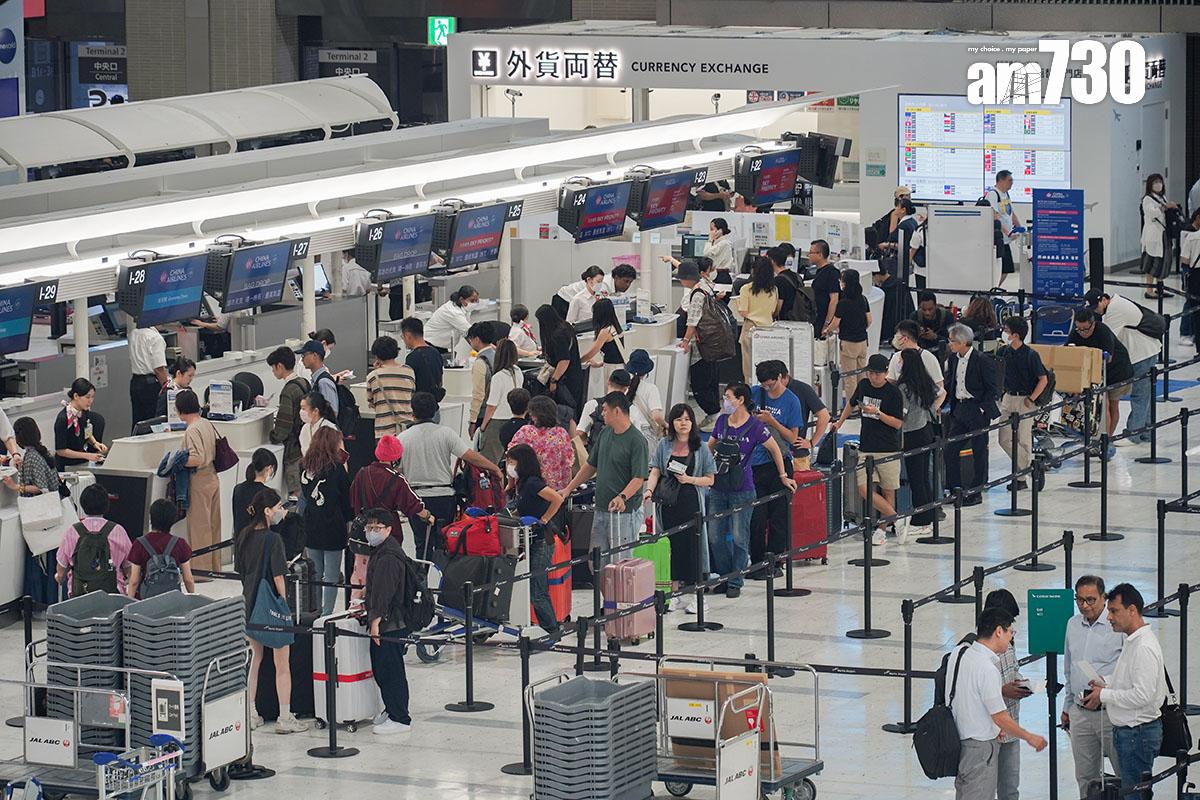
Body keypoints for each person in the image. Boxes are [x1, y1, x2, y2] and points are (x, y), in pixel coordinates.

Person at [707, 384, 796, 597]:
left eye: (728, 397)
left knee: (739, 536)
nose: (725, 401)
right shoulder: (721, 422)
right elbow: (709, 445)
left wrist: (783, 476)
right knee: (715, 536)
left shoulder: (755, 426)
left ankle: (735, 581)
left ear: (740, 400)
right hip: (719, 487)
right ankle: (725, 575)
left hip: (743, 488)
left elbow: (775, 449)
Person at [948, 607, 1047, 800]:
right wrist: (1029, 736)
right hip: (980, 749)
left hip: (960, 741)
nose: (1011, 638)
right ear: (999, 631)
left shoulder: (959, 654)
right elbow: (1000, 716)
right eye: (1011, 632)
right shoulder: (987, 668)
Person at [1082, 583, 1167, 795]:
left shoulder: (1143, 647)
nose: (1109, 617)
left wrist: (1104, 695)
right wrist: (1106, 681)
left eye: (1114, 611)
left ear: (1132, 610)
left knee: (1135, 794)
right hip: (1131, 734)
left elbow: (1142, 695)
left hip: (1137, 735)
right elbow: (1130, 681)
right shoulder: (1132, 641)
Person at [235, 488, 307, 734]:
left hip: (249, 604)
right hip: (271, 608)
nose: (281, 512)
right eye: (277, 507)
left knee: (254, 660)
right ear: (267, 511)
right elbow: (279, 577)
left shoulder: (243, 535)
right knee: (282, 664)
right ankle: (285, 717)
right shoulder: (273, 539)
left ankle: (251, 712)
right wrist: (285, 605)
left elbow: (241, 571)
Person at [398, 392, 502, 560]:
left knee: (421, 543)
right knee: (445, 540)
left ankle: (421, 580)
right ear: (435, 412)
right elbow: (470, 456)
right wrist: (495, 468)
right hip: (444, 497)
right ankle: (444, 578)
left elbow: (398, 470)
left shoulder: (402, 438)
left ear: (413, 412)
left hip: (416, 498)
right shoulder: (446, 433)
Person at [562, 392, 649, 571]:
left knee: (621, 565)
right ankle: (606, 600)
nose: (602, 414)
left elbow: (639, 477)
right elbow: (590, 465)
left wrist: (622, 497)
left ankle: (620, 600)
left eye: (605, 410)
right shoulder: (605, 433)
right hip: (601, 507)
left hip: (623, 513)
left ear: (616, 411)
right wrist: (569, 488)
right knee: (596, 564)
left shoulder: (637, 441)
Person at [644, 404, 715, 614]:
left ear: (692, 422)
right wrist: (649, 490)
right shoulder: (664, 445)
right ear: (672, 422)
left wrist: (689, 479)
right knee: (670, 547)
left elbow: (710, 479)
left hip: (691, 502)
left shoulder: (701, 447)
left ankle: (697, 595)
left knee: (693, 547)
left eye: (686, 419)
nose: (683, 423)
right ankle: (673, 594)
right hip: (668, 504)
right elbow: (655, 470)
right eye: (678, 419)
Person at [829, 355, 908, 545]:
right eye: (870, 373)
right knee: (864, 489)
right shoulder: (864, 385)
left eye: (877, 374)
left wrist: (878, 413)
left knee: (888, 489)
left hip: (888, 449)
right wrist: (839, 422)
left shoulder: (894, 393)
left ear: (886, 373)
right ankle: (897, 519)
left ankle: (882, 529)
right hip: (866, 446)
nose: (873, 377)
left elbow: (897, 423)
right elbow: (851, 403)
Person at [1062, 575, 1125, 799]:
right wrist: (1067, 707)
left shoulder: (1116, 626)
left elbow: (1127, 670)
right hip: (1080, 713)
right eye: (1080, 600)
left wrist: (1105, 688)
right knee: (1086, 779)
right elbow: (1069, 670)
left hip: (1111, 714)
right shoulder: (1072, 624)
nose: (1084, 606)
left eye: (1090, 600)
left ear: (1103, 598)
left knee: (1124, 776)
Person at [359, 506, 413, 735]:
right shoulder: (381, 550)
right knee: (382, 667)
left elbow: (384, 592)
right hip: (388, 620)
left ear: (389, 529)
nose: (372, 532)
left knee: (391, 669)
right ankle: (391, 710)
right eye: (369, 527)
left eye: (377, 528)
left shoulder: (389, 555)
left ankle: (400, 717)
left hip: (390, 622)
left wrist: (375, 623)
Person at [747, 361, 804, 578]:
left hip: (780, 462)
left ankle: (774, 560)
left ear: (781, 377)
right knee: (757, 517)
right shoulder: (754, 393)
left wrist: (771, 421)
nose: (768, 389)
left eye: (771, 385)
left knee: (779, 516)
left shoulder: (791, 400)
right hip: (755, 463)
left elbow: (792, 437)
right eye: (764, 386)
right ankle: (757, 560)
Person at [1084, 290, 1162, 446]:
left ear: (1104, 299)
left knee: (1139, 395)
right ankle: (1146, 431)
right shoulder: (1117, 304)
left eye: (1096, 307)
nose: (1096, 311)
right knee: (1145, 395)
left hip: (1142, 355)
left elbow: (1106, 337)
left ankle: (1133, 434)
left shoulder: (1115, 310)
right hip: (1146, 351)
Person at [505, 444, 565, 637]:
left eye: (511, 461)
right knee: (533, 585)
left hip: (541, 541)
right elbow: (523, 508)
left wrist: (544, 519)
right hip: (530, 540)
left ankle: (552, 629)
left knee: (537, 588)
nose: (509, 465)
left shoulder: (532, 483)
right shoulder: (521, 484)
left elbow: (557, 499)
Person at [5, 418, 66, 605]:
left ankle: (40, 601)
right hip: (53, 514)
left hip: (39, 517)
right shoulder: (43, 452)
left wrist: (16, 487)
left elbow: (40, 488)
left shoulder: (31, 457)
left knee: (39, 558)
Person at [981, 589, 1033, 800]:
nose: (1012, 626)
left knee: (1010, 788)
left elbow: (1012, 668)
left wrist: (1022, 684)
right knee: (983, 788)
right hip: (989, 731)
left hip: (1011, 724)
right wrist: (1003, 690)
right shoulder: (977, 648)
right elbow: (973, 687)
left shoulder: (1008, 640)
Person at [351, 435, 433, 557]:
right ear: (396, 457)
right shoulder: (397, 479)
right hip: (388, 530)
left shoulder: (362, 473)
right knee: (387, 567)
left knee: (365, 568)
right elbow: (413, 504)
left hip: (365, 529)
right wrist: (427, 515)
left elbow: (353, 500)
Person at [944, 325, 998, 505]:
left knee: (979, 450)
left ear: (962, 342)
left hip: (976, 408)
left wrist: (983, 408)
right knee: (950, 449)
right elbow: (950, 382)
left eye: (952, 341)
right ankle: (955, 489)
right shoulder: (953, 359)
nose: (949, 344)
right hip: (959, 408)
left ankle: (976, 491)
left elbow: (993, 388)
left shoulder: (981, 360)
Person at [301, 427, 352, 616]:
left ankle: (315, 611)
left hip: (311, 524)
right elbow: (347, 501)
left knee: (315, 574)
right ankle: (327, 614)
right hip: (333, 527)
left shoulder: (304, 466)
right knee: (331, 575)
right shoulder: (337, 469)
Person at [895, 348, 943, 538]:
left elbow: (902, 413)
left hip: (912, 433)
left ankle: (921, 520)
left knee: (916, 479)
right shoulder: (926, 382)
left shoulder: (904, 387)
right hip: (927, 430)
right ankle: (929, 514)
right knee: (924, 476)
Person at [996, 317, 1048, 490]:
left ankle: (1020, 478)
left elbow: (1043, 379)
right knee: (1004, 439)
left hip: (1026, 399)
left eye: (1007, 330)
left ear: (1016, 335)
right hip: (1008, 398)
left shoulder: (1031, 355)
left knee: (1023, 439)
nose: (1004, 333)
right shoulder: (1003, 352)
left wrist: (1032, 398)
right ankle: (1031, 465)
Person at [55, 483, 132, 597]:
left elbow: (61, 574)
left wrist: (59, 577)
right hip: (112, 597)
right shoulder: (118, 530)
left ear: (83, 504)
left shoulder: (73, 531)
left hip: (79, 596)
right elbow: (129, 568)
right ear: (106, 505)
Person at [1068, 309, 1133, 442]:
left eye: (1085, 329)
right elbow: (1068, 350)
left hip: (1118, 372)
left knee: (1110, 405)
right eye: (1078, 329)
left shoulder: (1103, 331)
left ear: (1093, 324)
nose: (1082, 333)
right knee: (1099, 406)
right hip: (1096, 373)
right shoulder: (1076, 332)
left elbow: (1107, 356)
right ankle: (1097, 436)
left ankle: (1107, 439)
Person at [177, 389, 222, 573]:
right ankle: (215, 566)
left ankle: (201, 571)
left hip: (199, 480)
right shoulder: (206, 423)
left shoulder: (192, 430)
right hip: (213, 477)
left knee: (199, 527)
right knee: (214, 525)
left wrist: (177, 461)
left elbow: (197, 458)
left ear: (180, 409)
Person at [676, 260, 722, 429]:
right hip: (711, 344)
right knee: (711, 380)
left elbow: (693, 321)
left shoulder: (697, 294)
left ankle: (713, 414)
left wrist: (686, 340)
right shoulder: (705, 286)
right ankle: (714, 414)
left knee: (700, 384)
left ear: (687, 278)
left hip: (701, 346)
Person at [126, 499, 194, 598]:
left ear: (151, 518)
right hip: (172, 598)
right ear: (172, 520)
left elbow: (134, 581)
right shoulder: (180, 543)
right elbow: (188, 579)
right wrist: (192, 599)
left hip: (146, 600)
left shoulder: (139, 543)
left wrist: (129, 602)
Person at [509, 395, 575, 493]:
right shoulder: (561, 433)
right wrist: (568, 489)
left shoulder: (525, 432)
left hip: (529, 488)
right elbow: (568, 463)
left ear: (534, 415)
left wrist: (510, 484)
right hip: (556, 490)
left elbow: (511, 458)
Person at [824, 269, 871, 404]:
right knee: (862, 375)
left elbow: (835, 323)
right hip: (863, 342)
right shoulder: (863, 299)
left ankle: (853, 407)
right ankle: (863, 404)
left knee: (850, 378)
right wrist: (861, 329)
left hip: (849, 344)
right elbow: (870, 320)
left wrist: (828, 330)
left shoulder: (843, 303)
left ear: (845, 284)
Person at [267, 346, 309, 496]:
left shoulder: (288, 391)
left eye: (273, 367)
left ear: (279, 366)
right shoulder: (303, 382)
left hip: (293, 450)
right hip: (304, 443)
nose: (273, 371)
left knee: (297, 492)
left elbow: (284, 426)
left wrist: (273, 436)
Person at [536, 304, 586, 419]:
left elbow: (564, 360)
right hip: (575, 376)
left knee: (564, 413)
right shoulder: (566, 327)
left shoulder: (557, 335)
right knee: (573, 412)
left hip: (565, 380)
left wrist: (554, 380)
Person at [736, 256, 781, 383]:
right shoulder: (774, 289)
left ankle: (751, 395)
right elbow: (774, 311)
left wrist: (738, 303)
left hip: (750, 329)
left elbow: (743, 312)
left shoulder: (746, 289)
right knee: (767, 368)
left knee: (749, 369)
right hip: (768, 330)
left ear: (754, 271)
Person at [478, 339, 522, 464]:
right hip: (513, 419)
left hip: (497, 422)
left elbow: (491, 406)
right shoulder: (518, 372)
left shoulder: (498, 377)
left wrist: (483, 426)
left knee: (489, 462)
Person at [366, 335, 416, 440]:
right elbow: (412, 395)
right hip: (407, 429)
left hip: (384, 432)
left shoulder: (373, 377)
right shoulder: (409, 372)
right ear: (396, 352)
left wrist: (376, 370)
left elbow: (372, 402)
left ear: (377, 355)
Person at [54, 378, 108, 470]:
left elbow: (86, 431)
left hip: (81, 461)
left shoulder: (83, 412)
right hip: (66, 465)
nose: (90, 401)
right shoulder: (63, 419)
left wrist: (95, 443)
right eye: (87, 397)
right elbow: (61, 451)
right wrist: (87, 455)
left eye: (92, 397)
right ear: (76, 396)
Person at [581, 298, 628, 398]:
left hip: (612, 369)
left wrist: (578, 361)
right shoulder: (615, 327)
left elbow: (592, 352)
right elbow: (615, 353)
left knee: (612, 398)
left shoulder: (605, 331)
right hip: (617, 367)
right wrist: (599, 364)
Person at [1140, 173, 1177, 298]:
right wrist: (1164, 207)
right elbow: (1152, 213)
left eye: (1160, 182)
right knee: (1151, 262)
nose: (1158, 184)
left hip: (1163, 233)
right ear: (1150, 184)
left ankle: (1160, 288)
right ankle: (1149, 291)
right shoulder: (1147, 199)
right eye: (1155, 182)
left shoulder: (1162, 197)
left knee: (1163, 261)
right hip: (1153, 235)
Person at [128, 321, 168, 432]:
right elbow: (159, 369)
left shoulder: (133, 333)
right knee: (153, 423)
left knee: (138, 422)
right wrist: (167, 388)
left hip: (135, 382)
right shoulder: (155, 338)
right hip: (150, 384)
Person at [986, 170, 1023, 287]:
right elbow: (995, 216)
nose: (1012, 183)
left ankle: (995, 289)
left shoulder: (1005, 194)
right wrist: (1007, 233)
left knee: (1006, 269)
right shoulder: (993, 194)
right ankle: (993, 290)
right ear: (1001, 180)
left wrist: (1019, 226)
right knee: (1000, 270)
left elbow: (1010, 213)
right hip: (998, 240)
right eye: (1009, 180)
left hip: (1005, 239)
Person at [233, 448, 278, 539]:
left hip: (241, 541)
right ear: (269, 468)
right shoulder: (268, 494)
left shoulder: (238, 489)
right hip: (260, 543)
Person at [624, 349, 666, 444]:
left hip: (626, 432)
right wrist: (666, 425)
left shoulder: (624, 387)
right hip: (645, 434)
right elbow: (657, 416)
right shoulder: (651, 389)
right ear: (647, 370)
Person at [400, 317, 445, 400]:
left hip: (419, 405)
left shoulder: (412, 357)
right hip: (434, 405)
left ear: (408, 335)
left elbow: (409, 384)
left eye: (403, 337)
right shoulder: (436, 353)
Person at [425, 285, 478, 355]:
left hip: (440, 345)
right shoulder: (453, 312)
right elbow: (469, 331)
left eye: (476, 300)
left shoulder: (465, 309)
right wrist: (484, 349)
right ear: (461, 299)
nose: (474, 303)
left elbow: (467, 334)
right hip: (430, 344)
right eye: (472, 300)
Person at [466, 321, 499, 435]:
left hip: (483, 415)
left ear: (477, 339)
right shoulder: (498, 356)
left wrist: (472, 421)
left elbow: (478, 395)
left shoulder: (481, 362)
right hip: (498, 411)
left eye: (470, 339)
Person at [299, 339, 339, 420]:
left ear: (315, 355)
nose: (302, 359)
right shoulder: (316, 380)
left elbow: (332, 413)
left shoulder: (323, 382)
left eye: (304, 355)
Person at [809, 240, 840, 338]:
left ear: (820, 255)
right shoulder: (819, 272)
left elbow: (834, 299)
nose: (808, 255)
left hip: (824, 319)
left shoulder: (831, 273)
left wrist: (828, 323)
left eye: (811, 252)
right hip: (816, 317)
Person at [298, 391, 338, 458]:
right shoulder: (305, 428)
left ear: (315, 411)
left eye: (303, 408)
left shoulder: (330, 428)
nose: (301, 412)